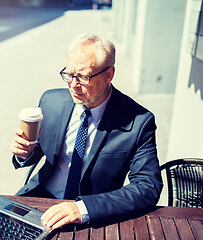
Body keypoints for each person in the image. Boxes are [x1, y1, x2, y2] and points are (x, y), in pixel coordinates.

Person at [10, 33, 163, 229]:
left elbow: (147, 187)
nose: (73, 85)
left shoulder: (139, 121)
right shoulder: (51, 101)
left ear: (109, 75)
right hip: (39, 200)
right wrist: (24, 152)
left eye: (83, 77)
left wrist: (82, 209)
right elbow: (35, 152)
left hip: (92, 217)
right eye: (69, 74)